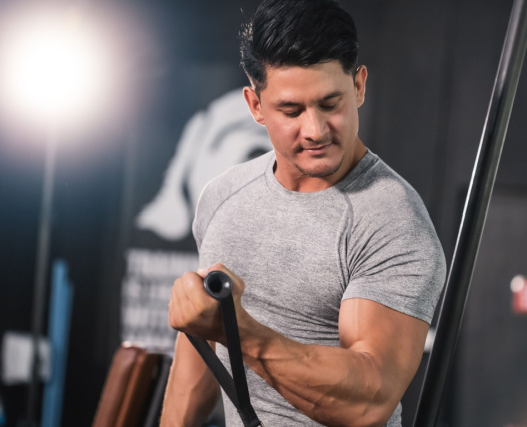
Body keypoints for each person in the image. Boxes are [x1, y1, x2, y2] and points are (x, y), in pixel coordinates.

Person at [161, 0, 446, 425]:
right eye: (291, 111)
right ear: (255, 106)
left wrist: (239, 331)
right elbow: (204, 352)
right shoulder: (222, 197)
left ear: (360, 86)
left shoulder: (392, 220)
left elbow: (368, 402)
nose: (314, 130)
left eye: (331, 103)